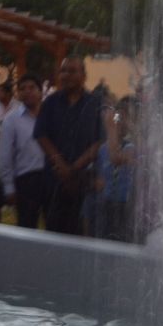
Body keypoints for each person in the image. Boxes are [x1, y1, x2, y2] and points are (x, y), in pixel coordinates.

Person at [34, 56, 106, 236]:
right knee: (53, 231)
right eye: (63, 71)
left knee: (81, 232)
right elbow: (42, 135)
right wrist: (61, 164)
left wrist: (74, 168)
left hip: (84, 180)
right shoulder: (50, 102)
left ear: (84, 75)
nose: (66, 75)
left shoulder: (95, 103)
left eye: (72, 71)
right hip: (54, 179)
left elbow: (99, 140)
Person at [0, 73, 49, 230]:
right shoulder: (11, 120)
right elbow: (4, 155)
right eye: (22, 89)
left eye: (32, 88)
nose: (27, 92)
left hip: (51, 178)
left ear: (41, 92)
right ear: (18, 94)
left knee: (54, 226)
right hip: (26, 180)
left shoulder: (50, 116)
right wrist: (9, 187)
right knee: (27, 228)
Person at [95, 95, 137, 243]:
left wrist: (110, 127)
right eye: (119, 116)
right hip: (107, 204)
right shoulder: (103, 148)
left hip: (126, 206)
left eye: (125, 117)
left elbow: (116, 158)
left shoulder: (135, 146)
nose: (119, 121)